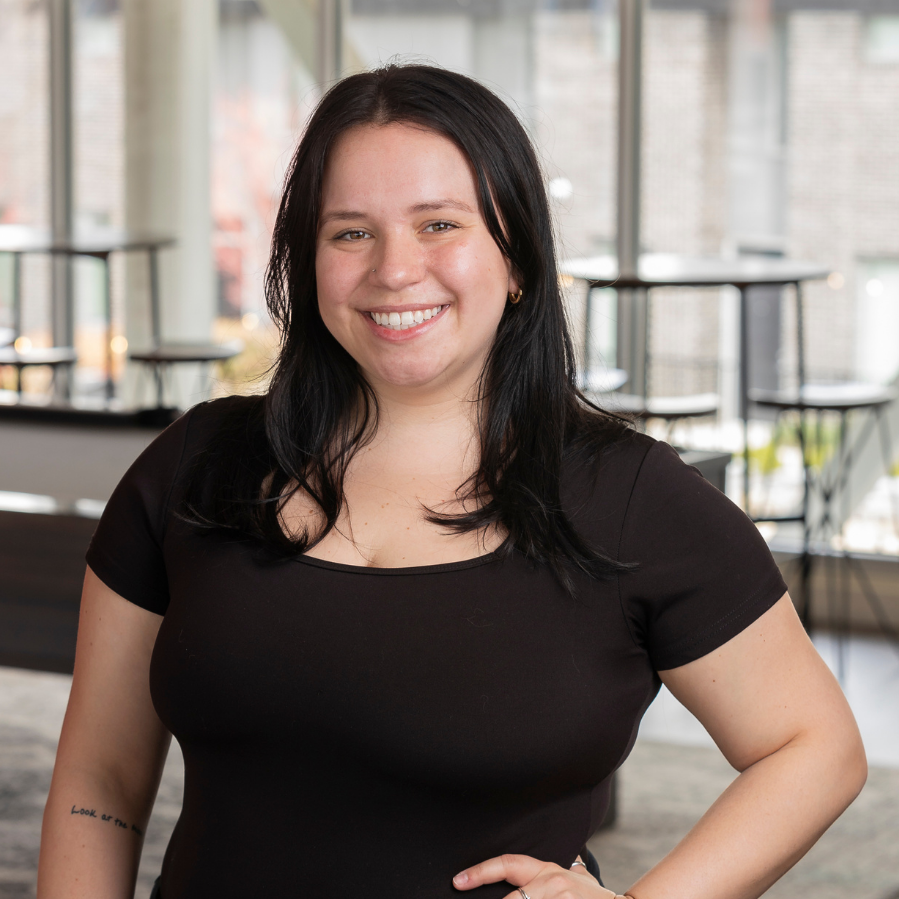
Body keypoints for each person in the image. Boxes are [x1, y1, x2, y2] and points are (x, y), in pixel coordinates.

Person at [37, 64, 865, 899]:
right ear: (306, 262)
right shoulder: (196, 466)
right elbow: (99, 781)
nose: (395, 269)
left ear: (517, 261)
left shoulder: (631, 500)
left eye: (439, 223)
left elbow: (813, 745)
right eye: (350, 232)